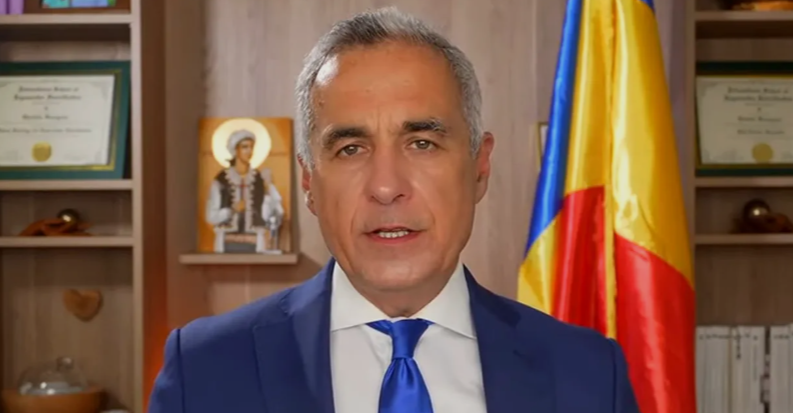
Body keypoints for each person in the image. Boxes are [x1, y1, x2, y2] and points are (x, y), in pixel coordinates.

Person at [149, 6, 639, 413]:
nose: (386, 187)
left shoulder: (590, 375)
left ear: (479, 167)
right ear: (308, 181)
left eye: (422, 143)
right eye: (350, 149)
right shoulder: (203, 370)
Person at [204, 129, 284, 253]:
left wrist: (269, 185)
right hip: (225, 241)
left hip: (256, 241)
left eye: (251, 147)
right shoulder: (221, 180)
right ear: (235, 150)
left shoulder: (258, 179)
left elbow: (274, 213)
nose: (249, 151)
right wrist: (231, 211)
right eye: (244, 147)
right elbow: (210, 216)